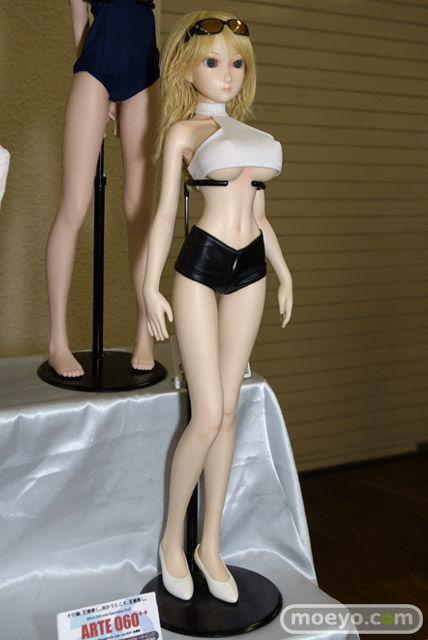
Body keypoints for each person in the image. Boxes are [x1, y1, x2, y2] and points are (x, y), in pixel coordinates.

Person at [143, 10, 293, 603]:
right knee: (206, 415)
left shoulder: (254, 138)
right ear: (187, 69)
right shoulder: (184, 134)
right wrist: (149, 286)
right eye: (212, 62)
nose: (227, 74)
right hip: (201, 266)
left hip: (251, 268)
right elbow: (162, 215)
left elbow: (259, 216)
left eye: (236, 63)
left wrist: (284, 273)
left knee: (229, 412)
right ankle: (170, 541)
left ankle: (210, 545)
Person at [46, 0, 159, 377]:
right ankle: (57, 341)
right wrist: (100, 86)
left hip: (144, 70)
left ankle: (145, 332)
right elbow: (80, 22)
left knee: (140, 210)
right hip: (95, 67)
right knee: (74, 205)